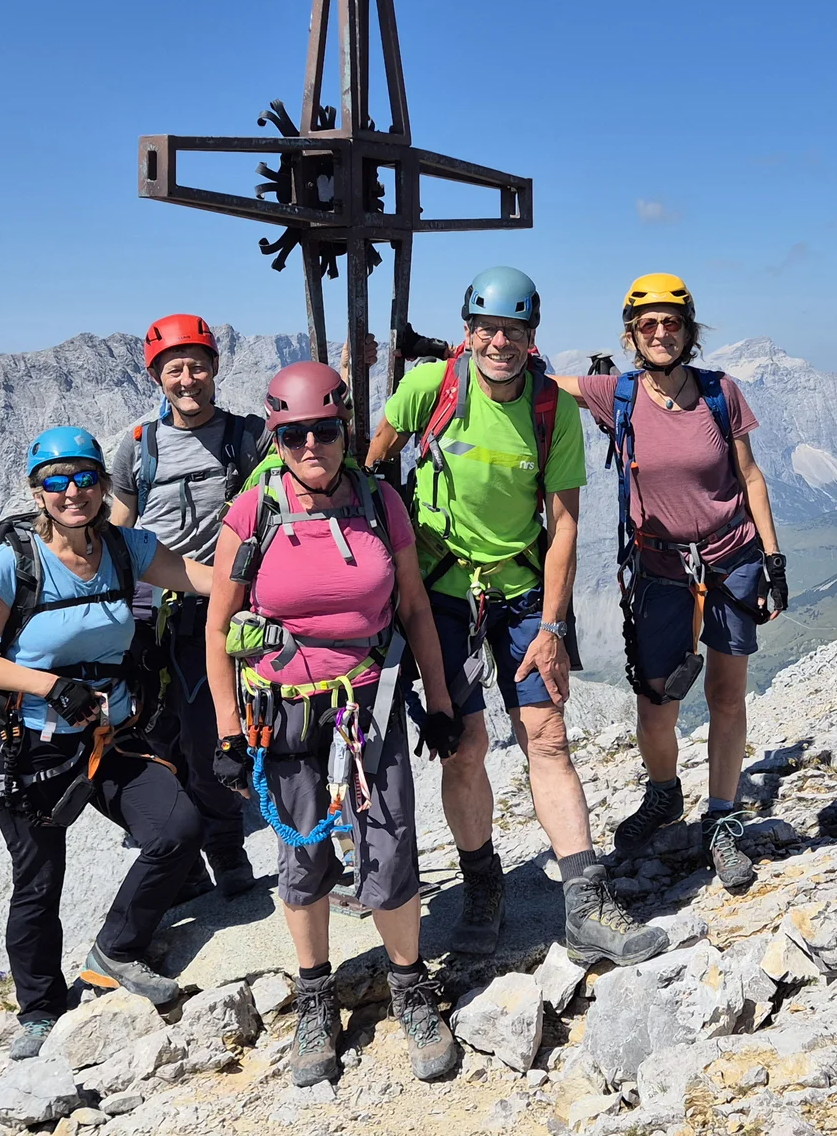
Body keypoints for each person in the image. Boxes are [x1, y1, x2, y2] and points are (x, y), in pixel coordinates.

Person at [364, 265, 668, 968]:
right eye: (488, 329)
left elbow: (564, 526)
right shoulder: (428, 389)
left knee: (548, 737)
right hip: (440, 592)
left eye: (514, 330)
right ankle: (482, 889)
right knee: (463, 745)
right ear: (468, 334)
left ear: (532, 338)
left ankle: (587, 907)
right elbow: (374, 468)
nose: (500, 342)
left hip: (524, 594)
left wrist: (555, 630)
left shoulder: (551, 409)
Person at [205, 363, 464, 1087]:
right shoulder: (252, 512)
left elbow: (414, 608)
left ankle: (410, 986)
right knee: (302, 855)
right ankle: (315, 994)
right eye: (293, 435)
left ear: (346, 428)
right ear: (276, 437)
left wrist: (439, 704)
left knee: (390, 840)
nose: (311, 445)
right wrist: (228, 728)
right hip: (282, 709)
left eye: (324, 430)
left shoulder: (381, 503)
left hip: (368, 699)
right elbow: (219, 624)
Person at [0, 426, 214, 1058]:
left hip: (109, 734)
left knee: (177, 827)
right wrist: (49, 686)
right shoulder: (13, 562)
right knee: (40, 880)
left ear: (103, 484)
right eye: (57, 481)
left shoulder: (127, 549)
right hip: (29, 745)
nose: (73, 492)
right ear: (36, 491)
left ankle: (116, 949)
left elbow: (203, 579)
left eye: (86, 478)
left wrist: (289, 579)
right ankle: (40, 1010)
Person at [552, 274, 787, 894]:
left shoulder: (720, 393)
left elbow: (751, 477)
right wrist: (465, 353)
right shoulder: (618, 395)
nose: (661, 333)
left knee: (726, 695)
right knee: (657, 705)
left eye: (671, 323)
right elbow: (532, 379)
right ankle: (664, 795)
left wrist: (773, 556)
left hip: (730, 559)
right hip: (659, 571)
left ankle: (722, 819)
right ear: (632, 335)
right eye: (648, 325)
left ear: (688, 331)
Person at [107, 313, 262, 897]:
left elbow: (312, 450)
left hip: (214, 603)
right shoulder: (138, 448)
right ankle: (185, 862)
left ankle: (225, 849)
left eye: (197, 365)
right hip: (152, 610)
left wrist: (351, 371)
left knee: (206, 732)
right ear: (157, 378)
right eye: (175, 369)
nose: (187, 378)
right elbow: (118, 527)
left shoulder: (245, 438)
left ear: (216, 368)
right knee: (154, 736)